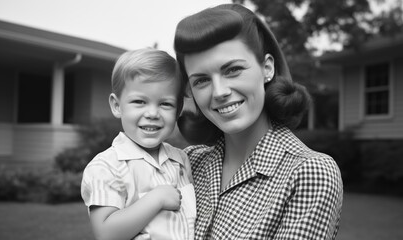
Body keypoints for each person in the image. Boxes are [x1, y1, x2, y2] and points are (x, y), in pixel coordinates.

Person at [173, 3, 343, 240]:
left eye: (232, 70)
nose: (219, 92)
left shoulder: (308, 173)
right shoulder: (188, 163)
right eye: (201, 81)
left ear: (267, 68)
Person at [81, 48, 196, 240]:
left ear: (178, 111)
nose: (152, 113)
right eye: (139, 101)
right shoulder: (107, 167)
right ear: (117, 106)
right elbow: (106, 234)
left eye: (165, 104)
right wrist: (156, 199)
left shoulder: (181, 160)